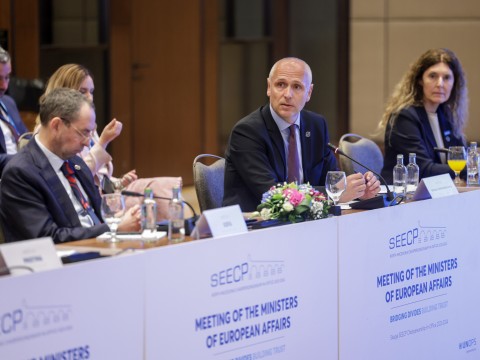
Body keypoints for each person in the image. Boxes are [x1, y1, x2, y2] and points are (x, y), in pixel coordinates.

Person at [223, 57, 380, 212]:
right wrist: (336, 194)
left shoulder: (316, 125)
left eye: (297, 87)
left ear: (309, 92)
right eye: (280, 85)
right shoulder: (247, 132)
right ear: (269, 87)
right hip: (254, 225)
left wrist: (359, 191)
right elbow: (273, 194)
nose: (288, 94)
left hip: (304, 221)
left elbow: (331, 179)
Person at [36, 64, 184, 220]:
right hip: (86, 204)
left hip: (105, 195)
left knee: (162, 189)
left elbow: (96, 176)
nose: (89, 98)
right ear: (64, 94)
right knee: (156, 196)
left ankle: (175, 235)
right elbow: (75, 174)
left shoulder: (87, 126)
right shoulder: (53, 133)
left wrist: (118, 182)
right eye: (82, 91)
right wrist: (103, 143)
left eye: (91, 91)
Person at [0, 88, 141, 243]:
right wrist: (114, 228)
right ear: (56, 125)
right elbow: (47, 237)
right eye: (83, 132)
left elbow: (97, 216)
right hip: (66, 261)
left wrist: (117, 218)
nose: (88, 142)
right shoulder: (20, 173)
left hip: (101, 250)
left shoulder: (75, 162)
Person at [378, 48, 468, 183]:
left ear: (454, 83)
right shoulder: (404, 117)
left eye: (447, 77)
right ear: (420, 80)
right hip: (403, 198)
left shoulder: (446, 116)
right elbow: (424, 170)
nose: (440, 84)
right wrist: (471, 168)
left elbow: (462, 158)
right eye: (433, 76)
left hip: (436, 195)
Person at [0, 46, 29, 175]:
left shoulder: (8, 102)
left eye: (7, 77)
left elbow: (25, 138)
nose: (4, 86)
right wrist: (25, 160)